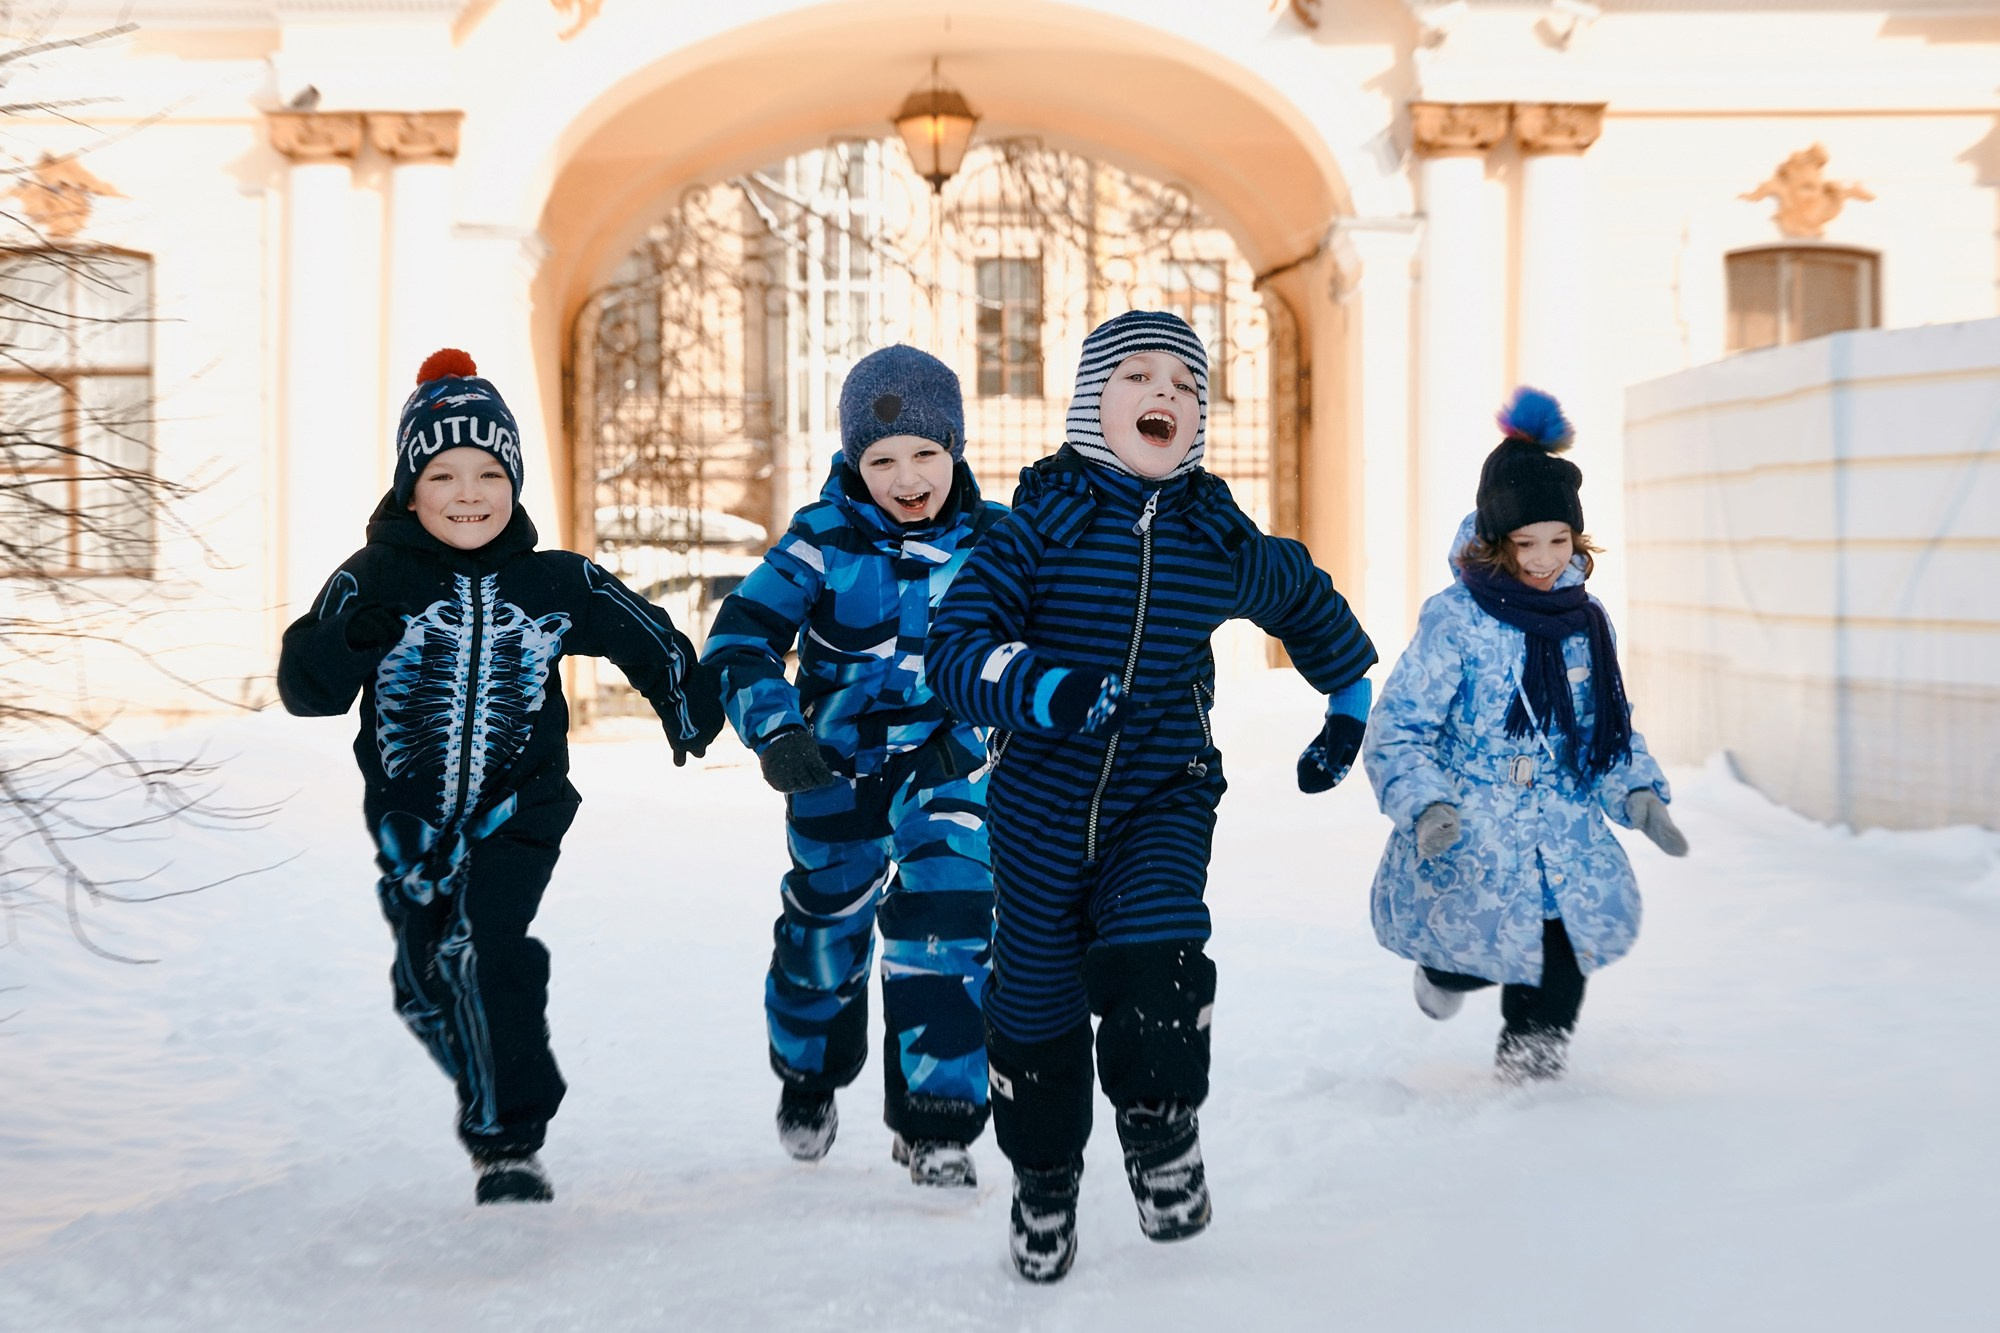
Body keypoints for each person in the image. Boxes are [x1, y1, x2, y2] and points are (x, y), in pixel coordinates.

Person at [926, 310, 1376, 1282]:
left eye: (1184, 383)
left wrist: (1345, 702)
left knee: (1156, 953)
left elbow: (1299, 595)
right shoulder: (1035, 529)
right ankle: (1043, 1180)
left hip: (1162, 790)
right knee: (1034, 1007)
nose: (1163, 393)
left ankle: (1159, 1128)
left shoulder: (1212, 534)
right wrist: (1044, 687)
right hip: (1037, 804)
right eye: (1136, 376)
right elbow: (955, 648)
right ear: (1093, 403)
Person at [277, 349, 724, 1205]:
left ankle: (508, 1139)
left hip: (521, 809)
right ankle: (487, 1052)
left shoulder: (550, 578)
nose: (469, 491)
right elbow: (306, 689)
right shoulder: (374, 577)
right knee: (427, 986)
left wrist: (685, 705)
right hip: (412, 829)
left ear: (515, 480)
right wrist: (347, 641)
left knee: (484, 947)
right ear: (411, 488)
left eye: (489, 470)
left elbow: (643, 629)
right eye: (443, 473)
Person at [702, 345, 1006, 1188]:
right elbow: (740, 639)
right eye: (881, 459)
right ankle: (809, 1075)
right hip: (829, 768)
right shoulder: (821, 540)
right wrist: (777, 729)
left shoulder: (999, 543)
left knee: (948, 912)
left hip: (946, 763)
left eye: (924, 454)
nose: (906, 476)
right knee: (825, 933)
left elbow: (1038, 654)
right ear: (852, 461)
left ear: (955, 449)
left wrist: (988, 729)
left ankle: (937, 1123)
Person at [1362, 386, 1689, 1086]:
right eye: (1526, 542)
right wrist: (1426, 804)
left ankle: (1532, 1075)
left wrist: (1638, 793)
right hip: (1472, 827)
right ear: (1495, 541)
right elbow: (1401, 725)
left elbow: (1605, 726)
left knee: (1560, 947)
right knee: (1471, 947)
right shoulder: (1457, 619)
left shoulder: (1584, 619)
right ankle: (1443, 972)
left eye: (1559, 540)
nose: (1544, 559)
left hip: (1562, 827)